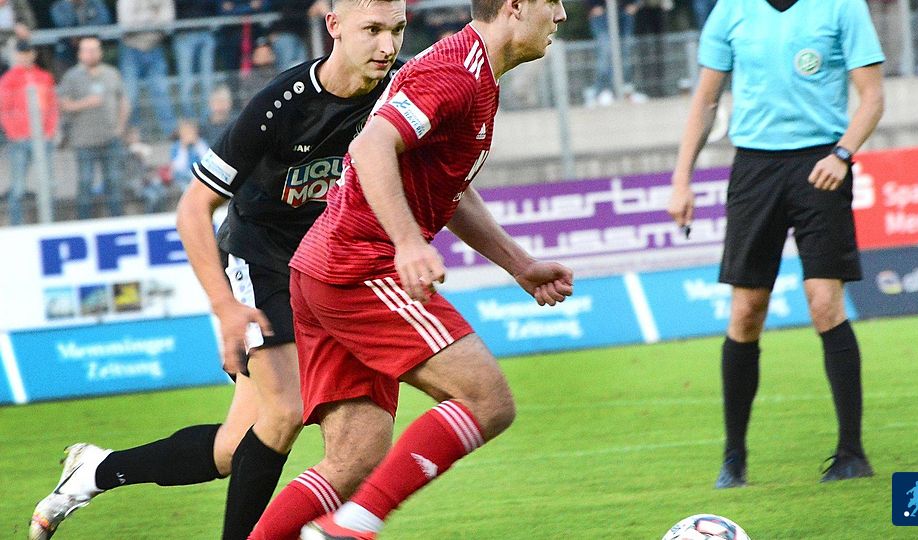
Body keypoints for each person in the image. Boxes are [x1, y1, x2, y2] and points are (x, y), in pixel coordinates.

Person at [28, 0, 407, 538]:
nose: (388, 46)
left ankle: (95, 471)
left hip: (326, 265)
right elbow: (193, 207)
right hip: (260, 258)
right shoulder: (280, 105)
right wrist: (225, 307)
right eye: (373, 29)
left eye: (398, 30)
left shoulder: (401, 91)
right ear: (334, 26)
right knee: (286, 411)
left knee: (233, 446)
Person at [257, 0, 571, 538]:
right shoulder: (456, 74)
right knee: (487, 401)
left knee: (354, 457)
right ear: (516, 7)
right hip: (359, 264)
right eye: (552, 1)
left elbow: (451, 188)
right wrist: (406, 242)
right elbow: (370, 145)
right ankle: (349, 528)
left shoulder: (475, 73)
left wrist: (519, 265)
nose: (561, 14)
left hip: (323, 268)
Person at [667, 0, 885, 488]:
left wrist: (843, 154)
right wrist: (681, 180)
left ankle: (852, 454)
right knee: (746, 311)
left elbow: (872, 98)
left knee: (824, 303)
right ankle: (734, 460)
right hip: (754, 168)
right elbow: (705, 101)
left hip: (822, 164)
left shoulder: (842, 7)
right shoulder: (731, 10)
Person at [57, 36, 128, 219]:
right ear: (80, 54)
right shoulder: (71, 77)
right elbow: (63, 105)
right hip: (84, 140)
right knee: (85, 182)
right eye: (87, 50)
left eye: (95, 50)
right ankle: (84, 222)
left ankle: (118, 221)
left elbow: (123, 101)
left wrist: (120, 127)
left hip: (110, 138)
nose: (91, 54)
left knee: (114, 181)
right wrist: (85, 103)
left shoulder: (111, 73)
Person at [0, 40, 57, 225]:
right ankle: (16, 226)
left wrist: (49, 131)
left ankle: (49, 224)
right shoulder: (8, 80)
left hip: (42, 138)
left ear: (33, 54)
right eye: (21, 53)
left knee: (47, 184)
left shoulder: (44, 77)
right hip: (20, 140)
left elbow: (52, 107)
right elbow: (4, 110)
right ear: (16, 55)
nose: (25, 56)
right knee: (18, 187)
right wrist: (15, 133)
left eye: (28, 52)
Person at [116, 0, 178, 137]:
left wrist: (141, 21)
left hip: (155, 47)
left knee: (161, 90)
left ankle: (171, 133)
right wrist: (153, 18)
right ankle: (134, 136)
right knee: (130, 95)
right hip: (130, 48)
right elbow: (126, 23)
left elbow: (168, 21)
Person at [173, 0, 218, 119]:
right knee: (186, 81)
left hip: (206, 31)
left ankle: (207, 119)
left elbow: (213, 5)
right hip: (184, 33)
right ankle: (189, 121)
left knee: (208, 80)